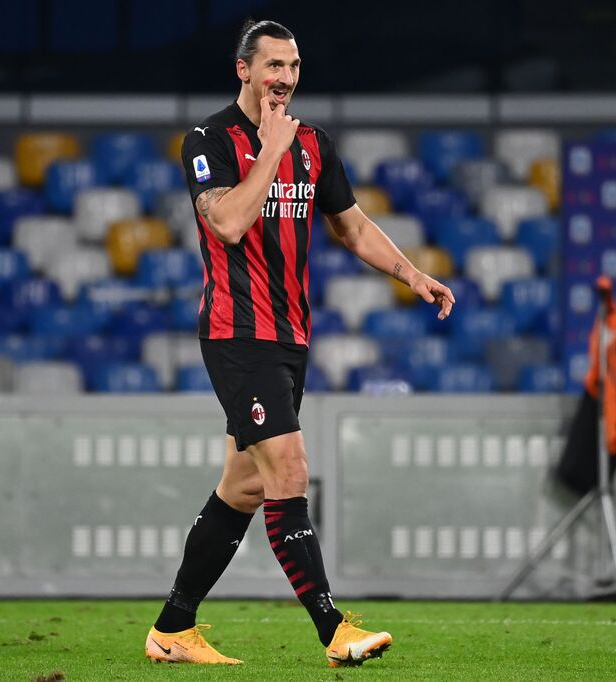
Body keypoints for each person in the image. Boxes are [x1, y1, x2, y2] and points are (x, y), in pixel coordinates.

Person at [145, 18, 455, 668]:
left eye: (292, 67)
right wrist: (270, 153)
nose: (284, 78)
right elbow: (227, 222)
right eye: (272, 66)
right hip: (236, 332)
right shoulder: (207, 139)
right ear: (244, 70)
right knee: (287, 471)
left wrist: (410, 273)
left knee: (245, 487)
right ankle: (332, 628)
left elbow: (352, 226)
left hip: (290, 337)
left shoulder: (313, 144)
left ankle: (173, 628)